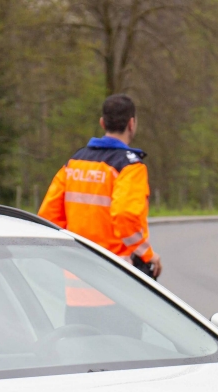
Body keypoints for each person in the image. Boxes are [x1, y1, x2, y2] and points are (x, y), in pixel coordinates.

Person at [38, 94, 161, 278]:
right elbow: (124, 216)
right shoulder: (130, 167)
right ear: (131, 124)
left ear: (102, 123)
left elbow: (48, 217)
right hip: (115, 280)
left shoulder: (75, 162)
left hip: (75, 279)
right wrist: (147, 254)